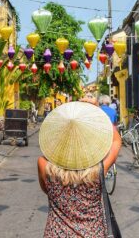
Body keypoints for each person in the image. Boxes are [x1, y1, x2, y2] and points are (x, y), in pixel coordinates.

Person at [37, 101, 122, 237]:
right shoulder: (98, 170)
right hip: (94, 234)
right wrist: (96, 112)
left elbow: (45, 189)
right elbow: (116, 140)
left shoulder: (43, 164)